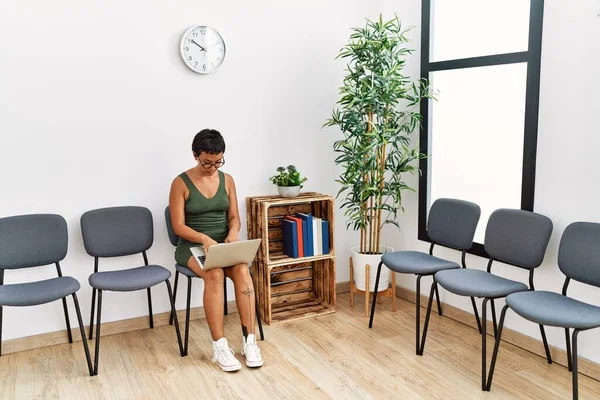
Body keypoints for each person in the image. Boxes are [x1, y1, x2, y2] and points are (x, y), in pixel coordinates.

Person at [169, 129, 263, 372]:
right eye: (206, 162)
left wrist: (233, 233)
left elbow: (234, 217)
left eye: (218, 161)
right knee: (214, 274)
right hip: (191, 247)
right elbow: (178, 226)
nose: (212, 167)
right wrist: (203, 238)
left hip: (223, 245)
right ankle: (219, 346)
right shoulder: (180, 183)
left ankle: (249, 341)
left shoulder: (228, 180)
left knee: (242, 269)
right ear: (195, 155)